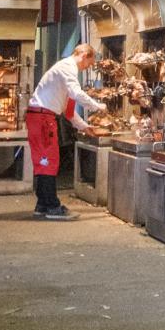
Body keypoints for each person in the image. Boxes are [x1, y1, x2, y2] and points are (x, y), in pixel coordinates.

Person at [26, 43, 104, 219]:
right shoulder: (68, 67)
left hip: (41, 117)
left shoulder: (65, 73)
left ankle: (42, 205)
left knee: (44, 161)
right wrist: (97, 106)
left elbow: (68, 112)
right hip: (43, 118)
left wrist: (85, 126)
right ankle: (52, 207)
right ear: (84, 55)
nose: (88, 67)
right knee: (48, 161)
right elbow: (76, 94)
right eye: (89, 63)